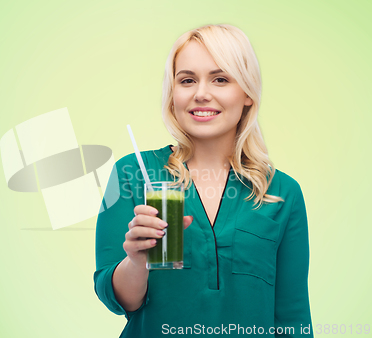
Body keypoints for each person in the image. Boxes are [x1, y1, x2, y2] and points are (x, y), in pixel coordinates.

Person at [94, 24, 313, 337]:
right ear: (173, 95)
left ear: (247, 93)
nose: (201, 94)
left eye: (220, 79)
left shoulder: (281, 192)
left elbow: (293, 318)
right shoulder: (133, 173)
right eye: (187, 80)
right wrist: (136, 261)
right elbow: (118, 300)